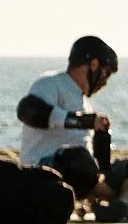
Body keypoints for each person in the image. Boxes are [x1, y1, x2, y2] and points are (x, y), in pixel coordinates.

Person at [18, 36, 117, 168]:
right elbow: (29, 111)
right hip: (41, 170)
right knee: (80, 161)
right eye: (107, 74)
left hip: (83, 174)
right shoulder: (51, 83)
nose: (105, 82)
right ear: (94, 64)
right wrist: (82, 121)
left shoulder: (85, 104)